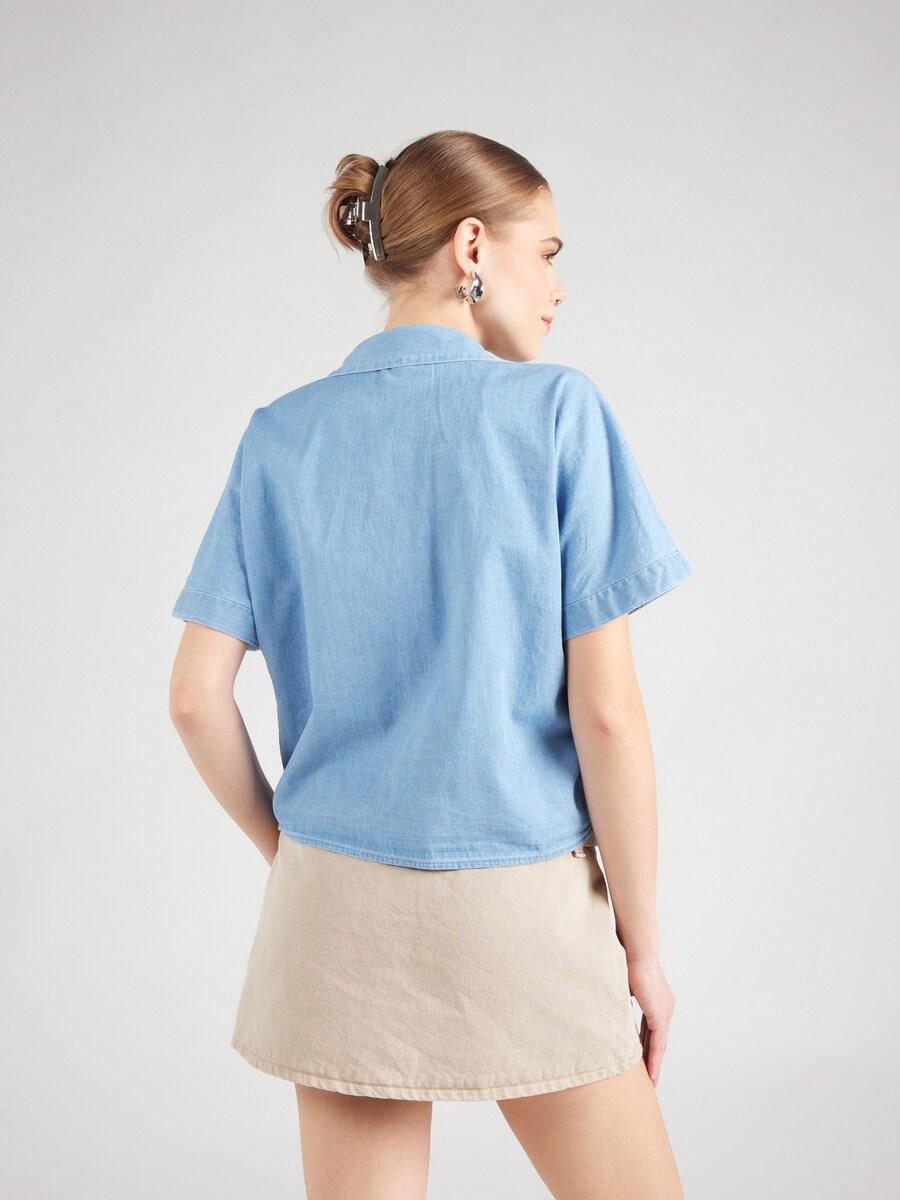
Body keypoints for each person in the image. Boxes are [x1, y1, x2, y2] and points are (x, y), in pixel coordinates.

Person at [169, 129, 692, 1199]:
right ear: (472, 247)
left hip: (331, 913)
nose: (558, 286)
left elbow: (192, 698)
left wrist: (293, 853)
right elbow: (609, 719)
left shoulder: (280, 435)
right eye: (547, 252)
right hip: (521, 909)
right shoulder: (557, 413)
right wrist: (640, 951)